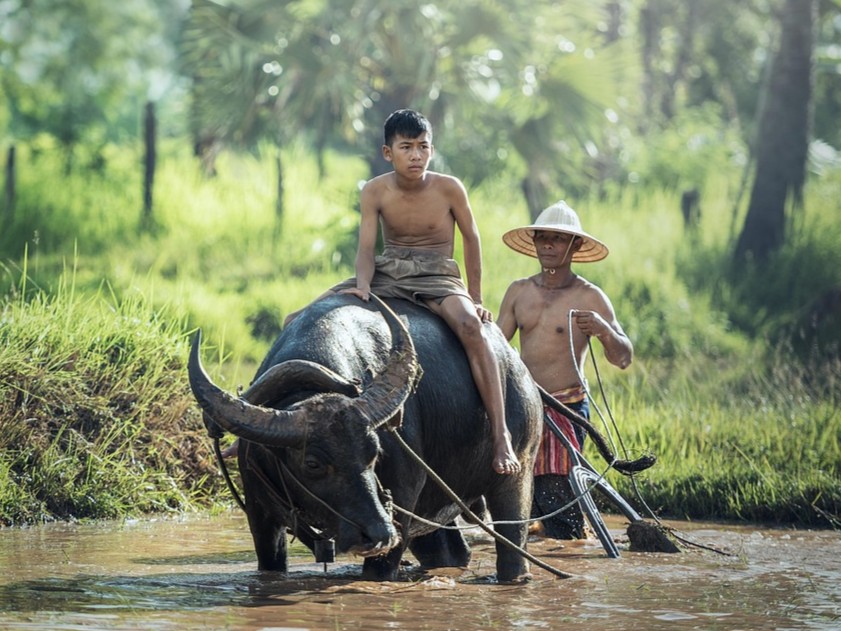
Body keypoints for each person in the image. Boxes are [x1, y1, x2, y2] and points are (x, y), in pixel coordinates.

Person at [265, 109, 520, 475]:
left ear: (431, 149)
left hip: (437, 275)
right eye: (406, 147)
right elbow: (367, 248)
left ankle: (500, 435)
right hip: (390, 271)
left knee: (471, 329)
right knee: (296, 318)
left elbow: (471, 239)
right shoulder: (375, 191)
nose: (416, 155)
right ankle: (258, 427)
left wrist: (476, 298)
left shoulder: (449, 188)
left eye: (423, 147)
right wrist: (363, 285)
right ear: (389, 153)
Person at [496, 200, 633, 538]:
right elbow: (496, 348)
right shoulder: (519, 292)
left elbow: (624, 357)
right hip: (524, 407)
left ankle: (571, 547)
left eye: (557, 239)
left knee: (556, 495)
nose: (548, 246)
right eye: (542, 238)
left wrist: (602, 329)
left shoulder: (590, 297)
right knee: (519, 500)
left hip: (566, 408)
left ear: (576, 245)